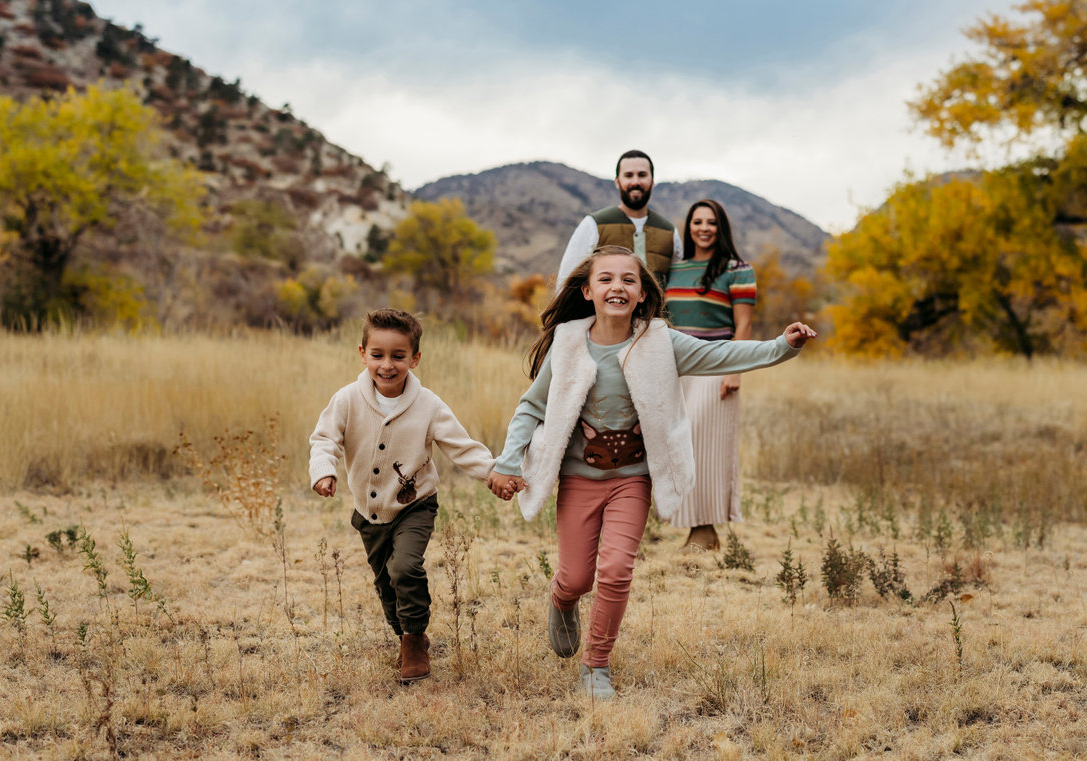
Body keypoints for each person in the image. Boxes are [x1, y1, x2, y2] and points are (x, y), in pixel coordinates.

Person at [489, 245, 816, 700]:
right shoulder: (567, 343)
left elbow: (722, 356)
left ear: (643, 294)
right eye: (605, 279)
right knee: (577, 577)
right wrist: (507, 462)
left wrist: (783, 346)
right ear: (587, 291)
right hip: (579, 479)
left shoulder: (661, 342)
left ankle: (596, 665)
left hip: (633, 478)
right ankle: (562, 599)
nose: (617, 287)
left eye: (628, 279)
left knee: (618, 568)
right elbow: (531, 407)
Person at [309, 307, 518, 683]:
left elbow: (461, 446)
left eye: (398, 356)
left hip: (415, 505)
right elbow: (325, 439)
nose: (387, 365)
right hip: (369, 512)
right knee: (385, 581)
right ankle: (401, 629)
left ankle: (414, 639)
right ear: (362, 354)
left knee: (404, 567)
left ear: (415, 359)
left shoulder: (429, 406)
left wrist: (493, 472)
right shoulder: (346, 399)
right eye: (377, 355)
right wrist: (323, 471)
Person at [663, 199, 756, 551]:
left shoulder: (737, 269)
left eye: (711, 222)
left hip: (716, 365)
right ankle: (693, 528)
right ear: (688, 227)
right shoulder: (676, 268)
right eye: (697, 222)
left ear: (721, 228)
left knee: (707, 446)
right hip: (675, 368)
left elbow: (744, 324)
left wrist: (735, 370)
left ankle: (704, 531)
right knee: (677, 444)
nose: (704, 228)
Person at [556, 149, 684, 290]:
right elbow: (566, 282)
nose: (635, 181)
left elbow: (678, 288)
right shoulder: (593, 225)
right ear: (617, 182)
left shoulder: (670, 233)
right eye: (628, 175)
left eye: (642, 175)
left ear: (652, 182)